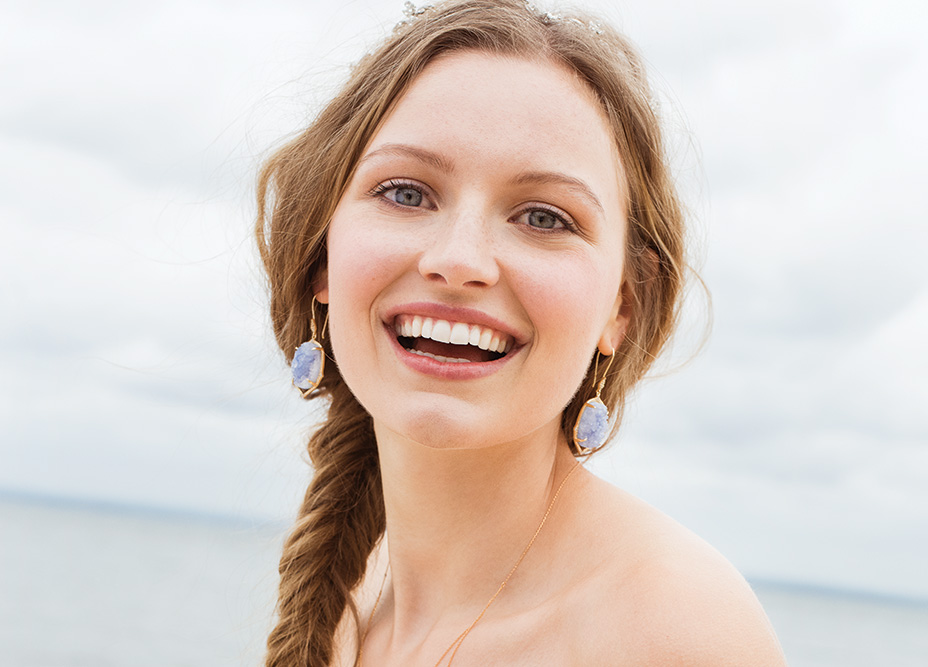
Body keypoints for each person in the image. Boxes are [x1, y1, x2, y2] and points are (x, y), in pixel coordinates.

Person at [255, 1, 786, 665]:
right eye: (407, 193)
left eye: (543, 216)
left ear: (623, 304)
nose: (459, 259)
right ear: (321, 253)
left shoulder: (674, 627)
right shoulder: (344, 604)